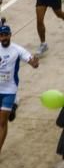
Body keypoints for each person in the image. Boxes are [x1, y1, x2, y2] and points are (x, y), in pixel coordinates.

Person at [0, 22, 39, 154]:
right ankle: (13, 108)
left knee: (2, 122)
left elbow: (32, 63)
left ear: (10, 35)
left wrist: (34, 62)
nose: (3, 38)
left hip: (9, 91)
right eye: (1, 35)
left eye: (6, 35)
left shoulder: (17, 50)